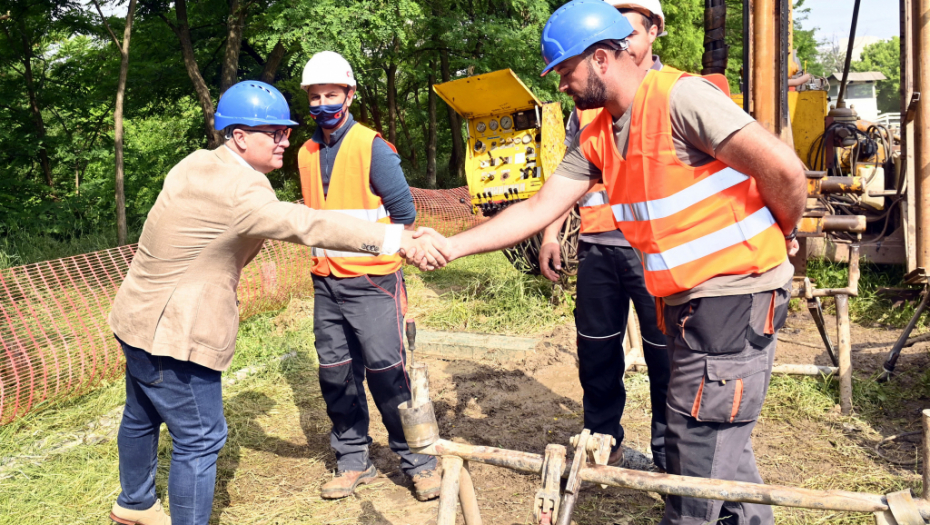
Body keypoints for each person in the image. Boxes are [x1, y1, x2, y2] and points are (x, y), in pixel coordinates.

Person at [414, 1, 806, 523]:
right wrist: (451, 245)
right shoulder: (599, 132)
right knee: (720, 448)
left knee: (695, 458)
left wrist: (785, 233)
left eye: (565, 71)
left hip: (733, 296)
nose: (560, 86)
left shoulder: (681, 98)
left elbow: (784, 168)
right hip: (690, 301)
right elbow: (538, 207)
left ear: (600, 58)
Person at [107, 80, 443, 525]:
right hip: (177, 331)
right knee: (201, 438)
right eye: (274, 132)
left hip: (134, 317)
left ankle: (134, 504)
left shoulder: (196, 163)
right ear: (240, 137)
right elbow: (303, 222)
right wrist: (394, 238)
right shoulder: (243, 190)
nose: (286, 139)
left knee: (141, 414)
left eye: (286, 131)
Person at [296, 51, 441, 502]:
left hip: (375, 282)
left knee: (387, 374)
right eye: (315, 96)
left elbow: (403, 214)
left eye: (331, 94)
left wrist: (374, 246)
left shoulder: (371, 146)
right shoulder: (304, 153)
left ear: (349, 94)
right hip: (326, 282)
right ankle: (353, 459)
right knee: (336, 374)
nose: (323, 103)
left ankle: (420, 461)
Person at [537, 0, 669, 472]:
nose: (622, 40)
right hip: (597, 247)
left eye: (630, 30)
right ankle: (602, 443)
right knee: (595, 350)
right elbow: (566, 176)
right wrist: (551, 233)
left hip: (652, 253)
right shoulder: (588, 102)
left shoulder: (673, 96)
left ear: (653, 32)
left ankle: (671, 458)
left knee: (666, 359)